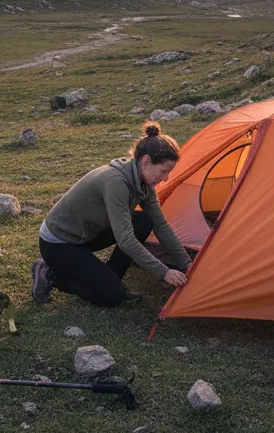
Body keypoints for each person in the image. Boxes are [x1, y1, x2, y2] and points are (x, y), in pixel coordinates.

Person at [30, 122, 191, 307]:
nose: (165, 178)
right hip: (59, 243)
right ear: (146, 161)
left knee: (144, 221)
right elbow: (125, 240)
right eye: (163, 171)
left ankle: (110, 277)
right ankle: (50, 274)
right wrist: (164, 272)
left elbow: (160, 225)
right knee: (112, 297)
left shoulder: (143, 182)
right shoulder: (116, 182)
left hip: (85, 234)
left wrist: (185, 263)